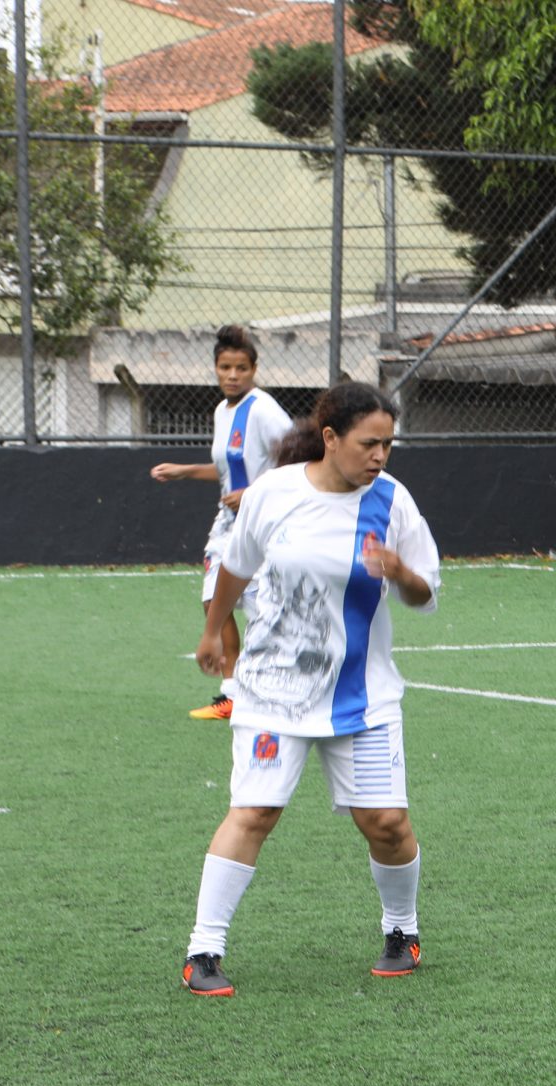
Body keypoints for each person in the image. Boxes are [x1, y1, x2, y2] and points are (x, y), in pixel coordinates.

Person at [179, 382, 439, 996]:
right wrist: (214, 631)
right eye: (368, 443)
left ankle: (401, 930)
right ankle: (204, 949)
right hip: (273, 689)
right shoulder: (273, 494)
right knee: (255, 811)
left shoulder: (394, 502)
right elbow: (236, 567)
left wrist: (402, 574)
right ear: (330, 438)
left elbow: (425, 591)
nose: (379, 456)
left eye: (388, 445)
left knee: (387, 823)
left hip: (362, 695)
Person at [148, 326, 294, 720]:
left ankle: (274, 686)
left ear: (254, 369)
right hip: (228, 524)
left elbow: (298, 461)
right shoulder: (222, 411)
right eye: (225, 367)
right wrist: (184, 471)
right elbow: (228, 470)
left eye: (241, 368)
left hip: (263, 525)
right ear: (215, 369)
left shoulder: (264, 410)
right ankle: (231, 694)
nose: (233, 375)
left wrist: (252, 494)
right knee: (215, 600)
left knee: (265, 611)